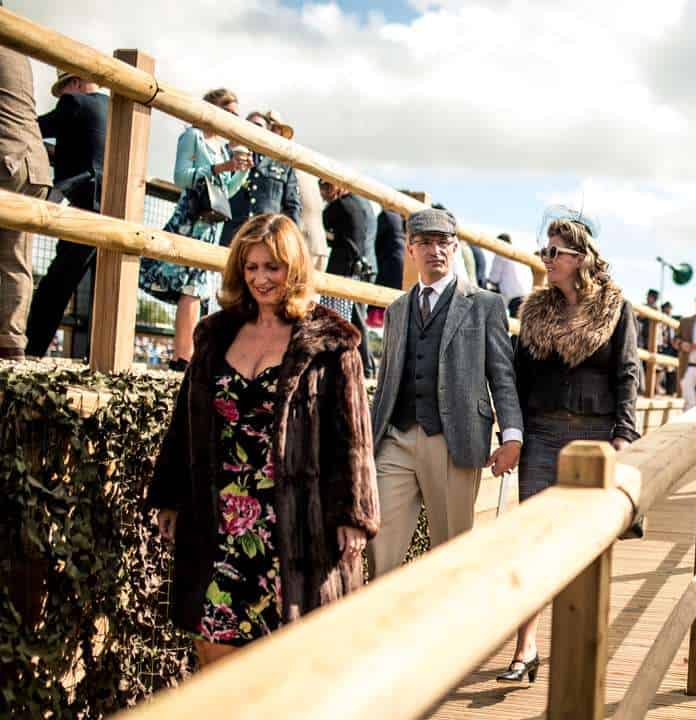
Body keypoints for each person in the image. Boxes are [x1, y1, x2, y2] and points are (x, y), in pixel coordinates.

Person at [146, 213, 378, 668]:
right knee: (212, 647)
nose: (260, 278)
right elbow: (184, 423)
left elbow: (354, 438)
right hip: (220, 519)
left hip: (295, 523)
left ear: (294, 267)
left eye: (272, 267)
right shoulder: (214, 335)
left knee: (291, 658)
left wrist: (354, 513)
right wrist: (170, 496)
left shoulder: (331, 341)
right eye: (251, 267)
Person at [500, 216, 640, 683]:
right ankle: (525, 648)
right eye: (544, 251)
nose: (546, 259)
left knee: (585, 544)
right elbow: (518, 377)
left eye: (554, 252)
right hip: (541, 434)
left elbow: (628, 373)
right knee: (531, 541)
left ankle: (581, 644)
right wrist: (513, 434)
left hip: (594, 437)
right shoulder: (534, 310)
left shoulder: (616, 308)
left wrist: (623, 436)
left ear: (579, 258)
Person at [366, 207, 522, 576]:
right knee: (379, 541)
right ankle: (384, 613)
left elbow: (502, 376)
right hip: (396, 438)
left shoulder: (485, 305)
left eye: (443, 242)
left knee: (450, 553)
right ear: (410, 249)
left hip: (454, 440)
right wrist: (368, 441)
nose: (434, 250)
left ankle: (449, 613)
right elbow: (387, 381)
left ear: (455, 248)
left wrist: (512, 436)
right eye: (425, 242)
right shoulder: (397, 309)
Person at [139, 88, 251, 371]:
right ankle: (183, 356)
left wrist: (241, 171)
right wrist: (220, 167)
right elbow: (181, 178)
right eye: (229, 113)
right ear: (213, 109)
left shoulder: (223, 148)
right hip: (191, 218)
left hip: (211, 225)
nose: (234, 119)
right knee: (189, 287)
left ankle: (184, 356)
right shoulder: (193, 137)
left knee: (196, 289)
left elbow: (226, 191)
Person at [25, 70, 107, 359]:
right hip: (113, 209)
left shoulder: (74, 102)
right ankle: (95, 355)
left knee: (55, 286)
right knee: (100, 290)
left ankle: (31, 349)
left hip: (85, 206)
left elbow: (33, 128)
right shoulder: (113, 108)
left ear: (74, 83)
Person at [0, 45, 51, 359]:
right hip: (34, 164)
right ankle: (10, 344)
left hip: (6, 159)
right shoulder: (18, 50)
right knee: (16, 257)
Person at [217, 111, 301, 246]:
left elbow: (292, 207)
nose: (254, 129)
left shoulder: (284, 165)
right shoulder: (230, 154)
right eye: (251, 125)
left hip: (266, 237)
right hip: (232, 234)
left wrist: (292, 241)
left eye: (259, 126)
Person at [318, 179, 375, 376]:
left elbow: (321, 227)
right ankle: (366, 365)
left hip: (343, 267)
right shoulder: (363, 204)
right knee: (358, 319)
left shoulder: (338, 206)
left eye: (323, 189)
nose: (322, 195)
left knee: (338, 317)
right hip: (364, 266)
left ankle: (359, 365)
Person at [368, 207, 405, 328]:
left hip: (388, 263)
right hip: (402, 264)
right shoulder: (401, 219)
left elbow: (373, 239)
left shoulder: (386, 216)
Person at [486, 232, 533, 316]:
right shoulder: (519, 254)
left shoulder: (501, 253)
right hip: (527, 296)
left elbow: (493, 279)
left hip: (514, 298)